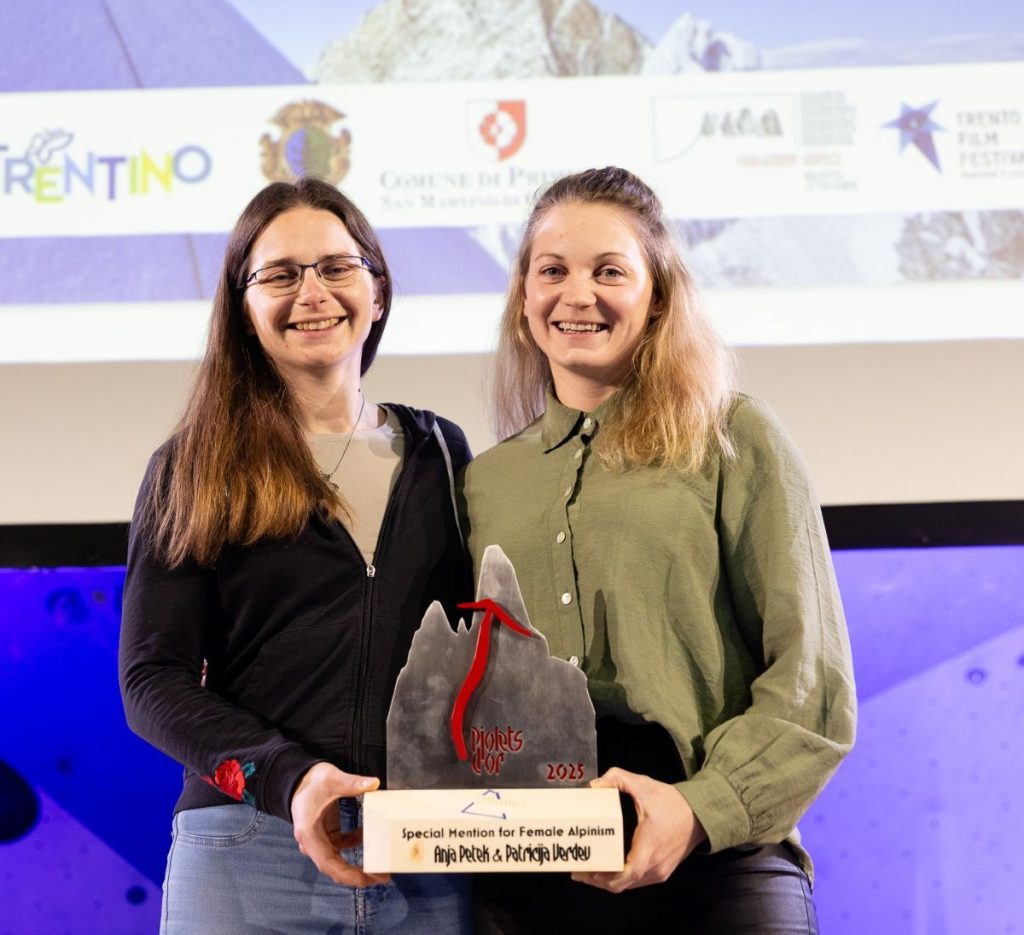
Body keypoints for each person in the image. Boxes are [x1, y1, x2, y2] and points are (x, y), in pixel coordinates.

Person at [459, 166, 856, 934]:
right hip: (535, 867)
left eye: (610, 271)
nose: (579, 295)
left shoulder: (735, 437)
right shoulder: (485, 483)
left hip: (717, 856)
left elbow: (813, 685)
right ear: (523, 301)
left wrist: (697, 809)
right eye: (553, 271)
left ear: (659, 296)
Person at [119, 177, 472, 934]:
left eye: (337, 267)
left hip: (423, 856)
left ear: (377, 290)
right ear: (244, 309)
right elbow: (150, 681)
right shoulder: (193, 467)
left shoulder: (442, 451)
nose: (312, 292)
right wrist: (292, 779)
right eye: (279, 274)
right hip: (249, 849)